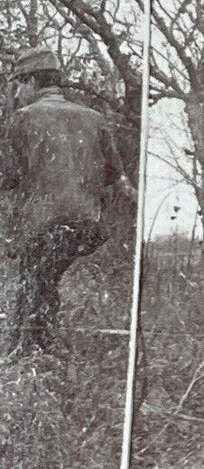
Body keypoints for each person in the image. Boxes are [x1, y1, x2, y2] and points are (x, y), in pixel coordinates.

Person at [0, 46, 135, 354]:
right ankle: (38, 350)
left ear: (32, 81)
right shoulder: (95, 118)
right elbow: (114, 171)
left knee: (33, 284)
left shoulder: (23, 118)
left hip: (40, 226)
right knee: (43, 281)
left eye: (19, 83)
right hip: (85, 226)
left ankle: (32, 353)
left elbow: (6, 177)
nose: (17, 92)